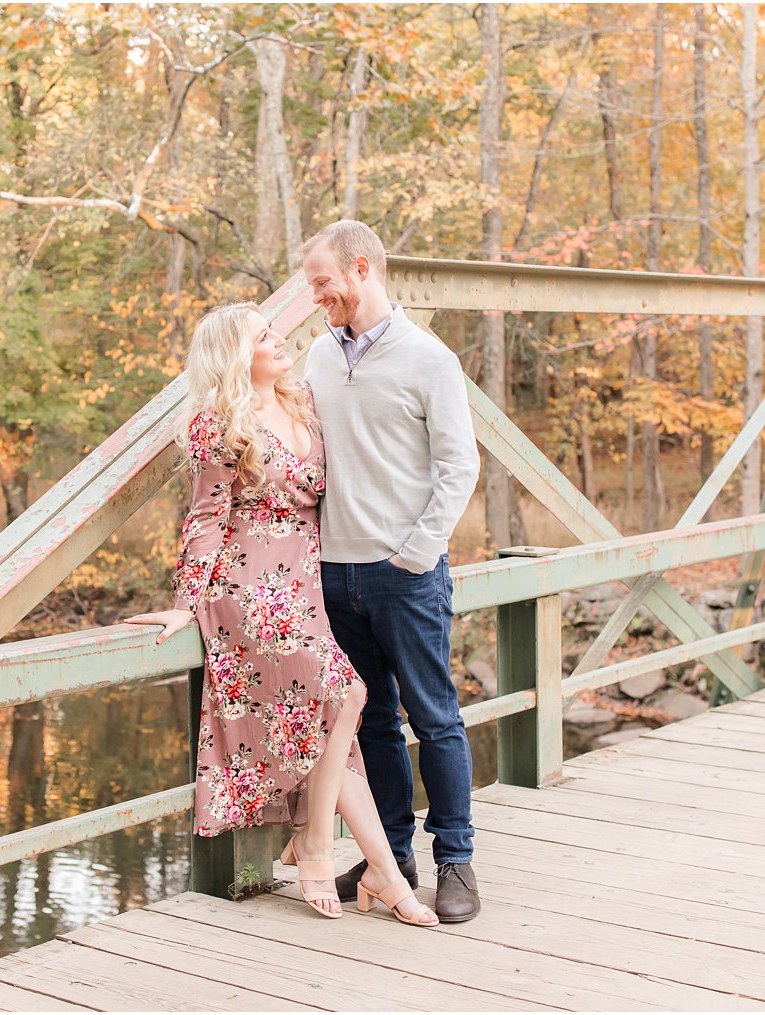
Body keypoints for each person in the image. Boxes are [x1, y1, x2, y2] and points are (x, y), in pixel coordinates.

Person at [126, 301, 438, 928]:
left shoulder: (300, 405)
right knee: (346, 695)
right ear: (235, 357)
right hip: (248, 588)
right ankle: (320, 850)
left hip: (304, 582)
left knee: (326, 724)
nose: (278, 339)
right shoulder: (214, 424)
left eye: (273, 329)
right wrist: (190, 603)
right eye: (261, 336)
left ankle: (383, 873)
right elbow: (208, 514)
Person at [300, 220, 482, 922]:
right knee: (370, 721)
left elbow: (458, 464)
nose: (318, 297)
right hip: (332, 573)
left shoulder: (429, 359)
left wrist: (417, 549)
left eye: (324, 283)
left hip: (404, 572)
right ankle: (391, 857)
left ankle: (456, 859)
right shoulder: (317, 355)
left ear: (362, 268)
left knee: (434, 716)